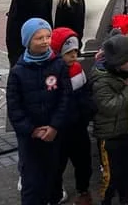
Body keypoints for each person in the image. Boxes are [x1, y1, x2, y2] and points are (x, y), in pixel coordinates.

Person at [6, 18, 71, 205]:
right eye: (39, 38)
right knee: (32, 182)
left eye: (48, 36)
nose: (45, 41)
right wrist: (31, 130)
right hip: (30, 138)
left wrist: (54, 126)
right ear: (27, 41)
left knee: (52, 176)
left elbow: (65, 97)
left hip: (53, 134)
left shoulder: (58, 64)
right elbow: (14, 106)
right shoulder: (18, 71)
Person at [92, 34, 128, 205]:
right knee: (111, 175)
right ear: (119, 62)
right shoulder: (101, 80)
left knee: (127, 170)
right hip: (110, 137)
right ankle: (106, 200)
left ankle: (124, 199)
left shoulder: (125, 72)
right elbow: (110, 106)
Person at [50, 28, 94, 205]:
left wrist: (87, 112)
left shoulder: (77, 69)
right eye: (69, 52)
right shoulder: (51, 73)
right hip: (59, 131)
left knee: (83, 162)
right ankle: (55, 193)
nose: (74, 56)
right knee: (56, 165)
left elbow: (86, 92)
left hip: (78, 128)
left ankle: (83, 191)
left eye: (76, 51)